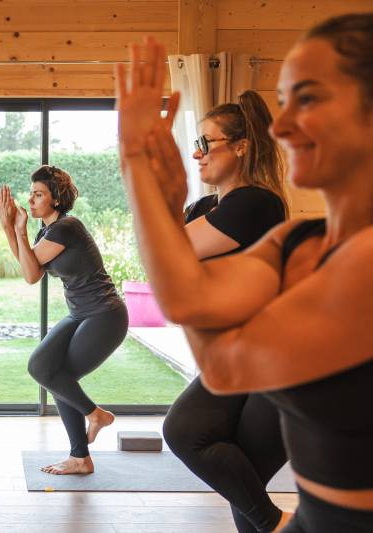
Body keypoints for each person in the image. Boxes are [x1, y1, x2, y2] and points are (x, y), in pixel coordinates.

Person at [116, 14, 373, 532]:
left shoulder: (269, 213)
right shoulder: (296, 241)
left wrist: (151, 192)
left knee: (222, 465)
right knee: (239, 483)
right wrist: (143, 176)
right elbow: (194, 311)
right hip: (316, 521)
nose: (278, 127)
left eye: (309, 99)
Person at [163, 90, 291, 533]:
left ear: (241, 146)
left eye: (206, 143)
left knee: (185, 435)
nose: (197, 154)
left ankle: (279, 524)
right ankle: (275, 524)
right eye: (194, 145)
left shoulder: (256, 204)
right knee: (242, 478)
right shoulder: (205, 208)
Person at [0, 165, 128, 475]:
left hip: (105, 315)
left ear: (55, 199)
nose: (30, 200)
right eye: (30, 193)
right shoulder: (47, 232)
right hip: (80, 313)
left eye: (38, 194)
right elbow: (29, 268)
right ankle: (82, 453)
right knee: (44, 368)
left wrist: (17, 230)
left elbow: (30, 273)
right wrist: (9, 227)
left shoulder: (66, 228)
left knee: (57, 374)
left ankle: (92, 422)